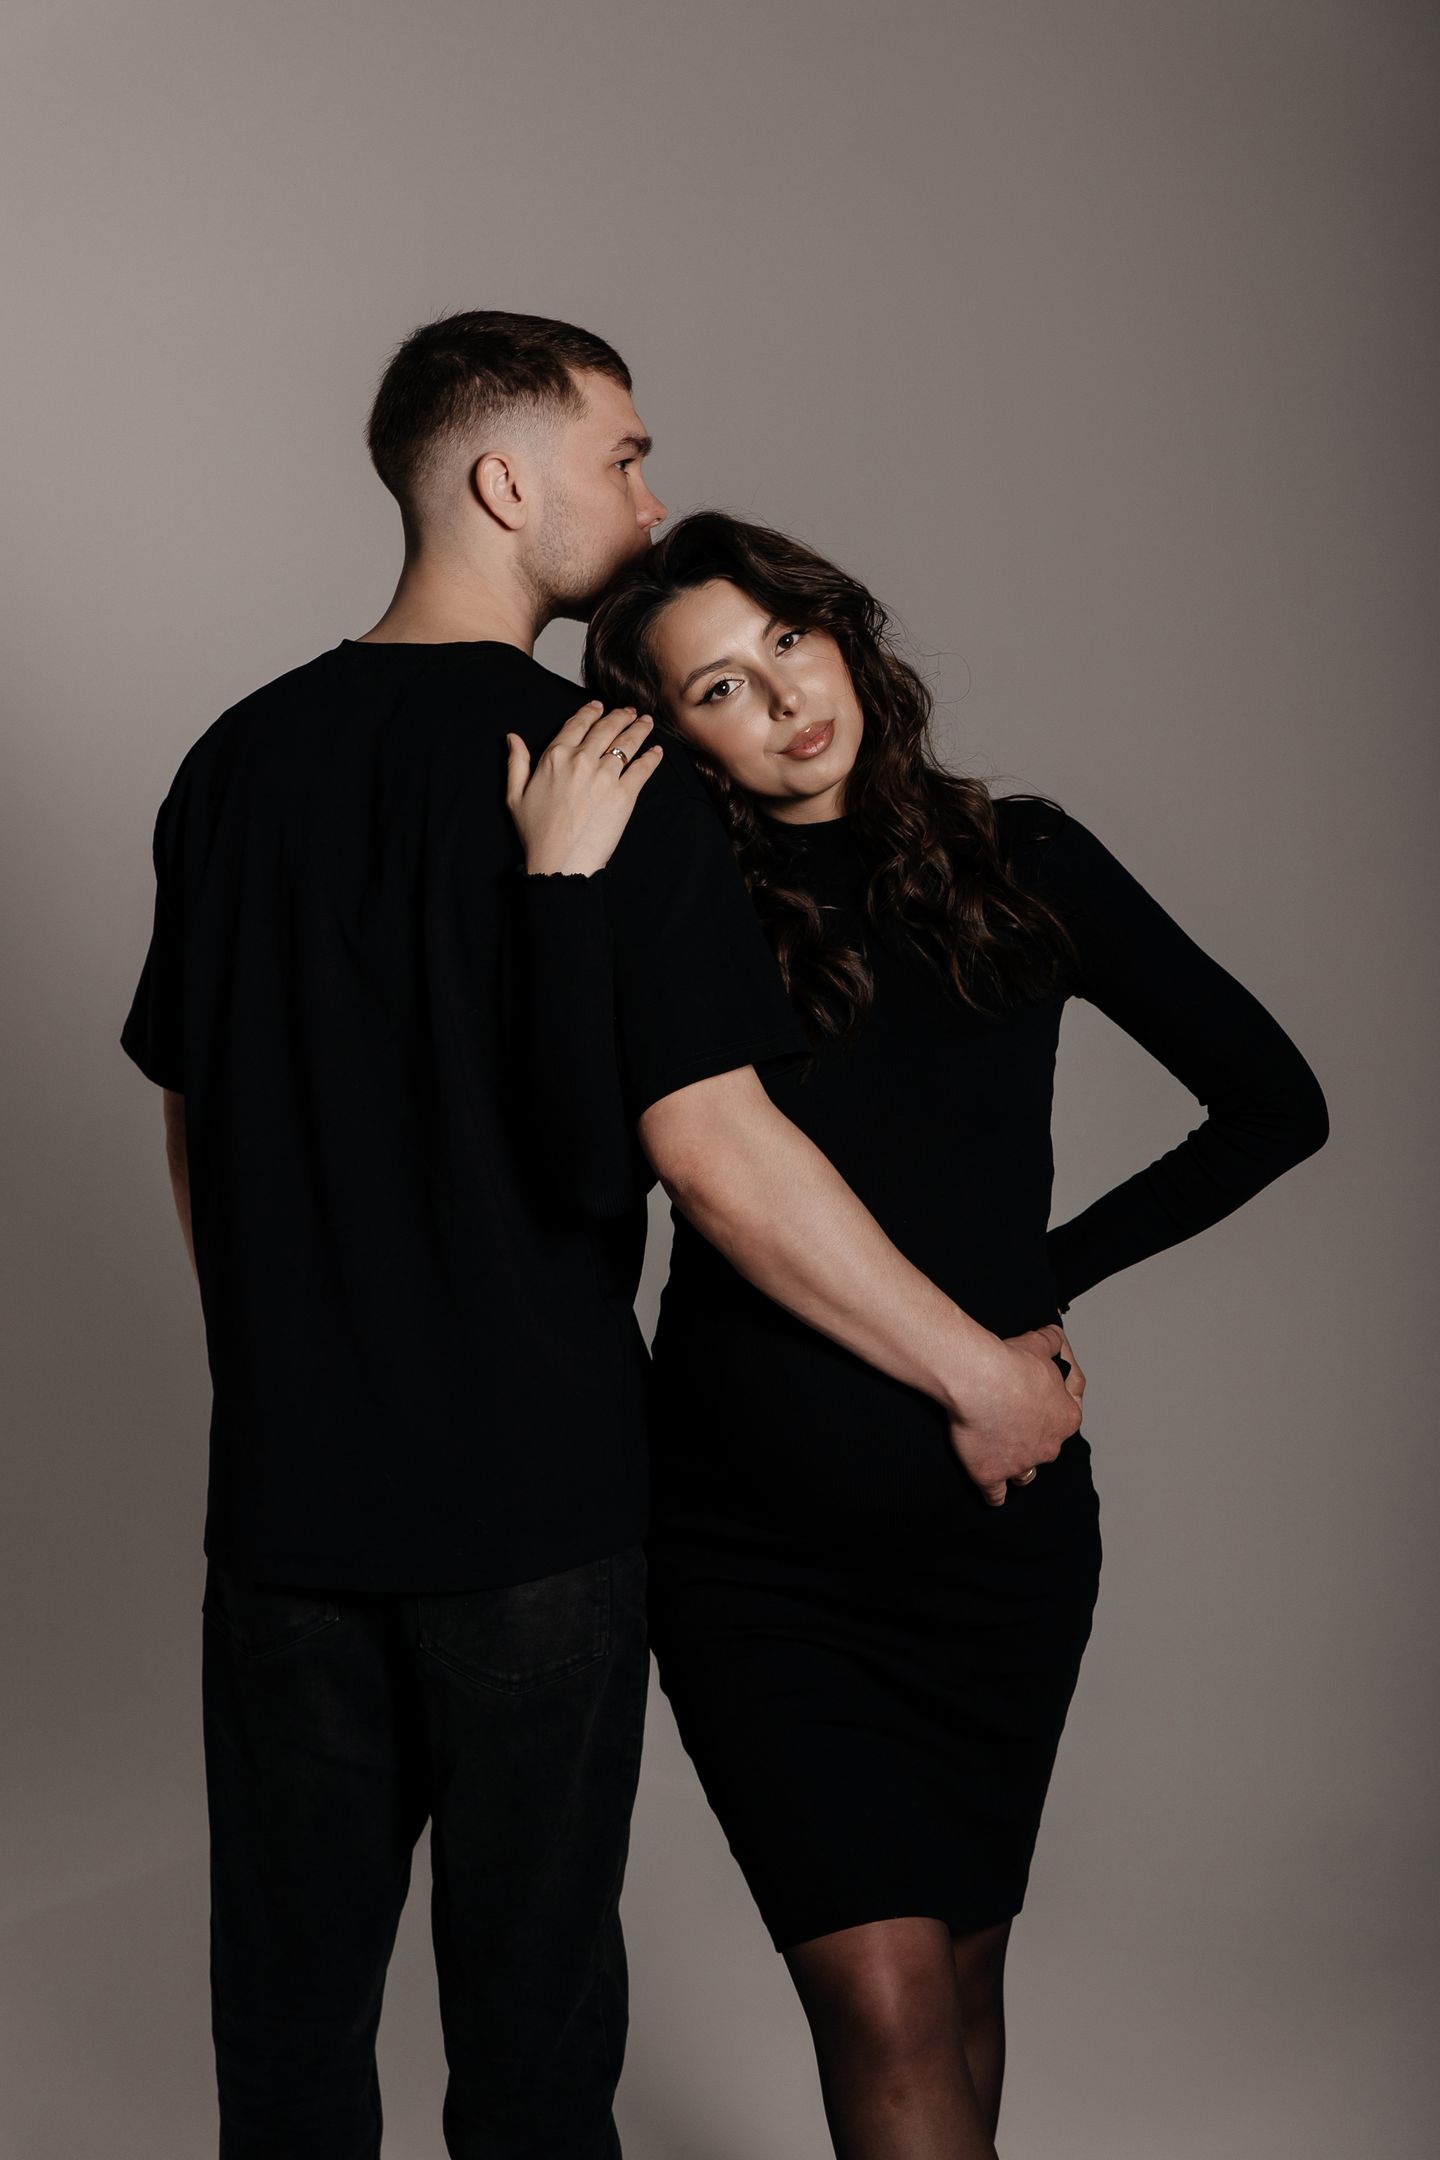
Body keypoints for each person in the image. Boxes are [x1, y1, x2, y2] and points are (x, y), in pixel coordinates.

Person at [119, 313, 1081, 2160]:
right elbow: (710, 1149)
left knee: (288, 2033)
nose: (647, 498)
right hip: (536, 1512)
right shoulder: (605, 765)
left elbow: (195, 1117)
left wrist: (293, 1364)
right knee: (537, 2038)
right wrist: (976, 1369)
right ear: (504, 482)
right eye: (622, 456)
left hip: (287, 1508)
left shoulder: (232, 759)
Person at [504, 509, 1331, 2160]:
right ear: (678, 737)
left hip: (993, 1537)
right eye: (720, 688)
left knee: (958, 1979)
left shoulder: (1025, 860)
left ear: (841, 632)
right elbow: (581, 1170)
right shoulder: (677, 905)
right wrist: (562, 892)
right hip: (751, 1547)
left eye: (788, 642)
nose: (784, 700)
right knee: (883, 2006)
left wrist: (1036, 1286)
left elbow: (1273, 1106)